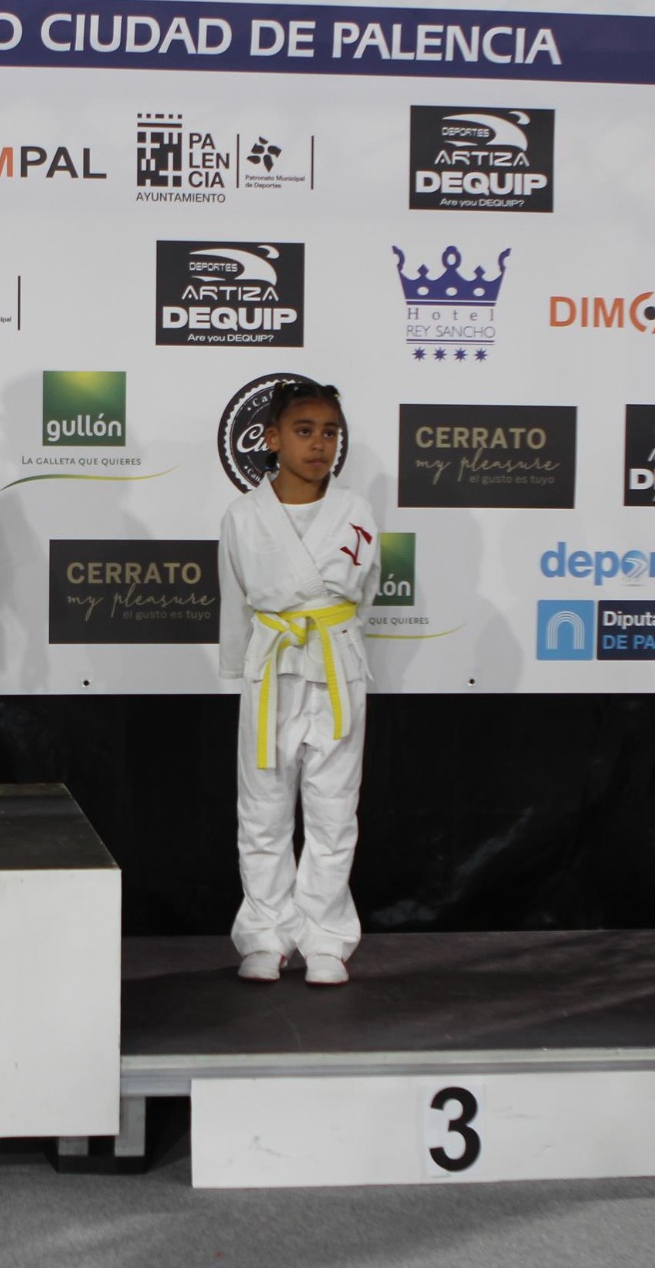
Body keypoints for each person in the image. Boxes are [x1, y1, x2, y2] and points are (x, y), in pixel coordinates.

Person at [217, 379, 378, 986]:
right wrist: (238, 670)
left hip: (336, 663)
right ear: (272, 438)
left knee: (335, 809)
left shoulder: (355, 511)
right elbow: (235, 599)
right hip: (271, 668)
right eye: (304, 430)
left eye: (330, 432)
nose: (319, 444)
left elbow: (364, 594)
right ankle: (265, 933)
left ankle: (326, 938)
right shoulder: (243, 516)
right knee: (262, 808)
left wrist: (338, 637)